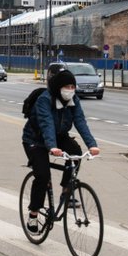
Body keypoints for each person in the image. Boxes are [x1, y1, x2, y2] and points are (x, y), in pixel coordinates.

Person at [21, 68, 101, 233]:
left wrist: (92, 145)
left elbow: (80, 121)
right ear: (58, 86)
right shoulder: (44, 100)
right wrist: (52, 146)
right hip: (35, 140)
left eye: (73, 86)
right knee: (42, 176)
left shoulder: (73, 100)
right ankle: (33, 214)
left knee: (76, 153)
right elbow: (46, 123)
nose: (70, 90)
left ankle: (66, 190)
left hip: (59, 136)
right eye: (67, 86)